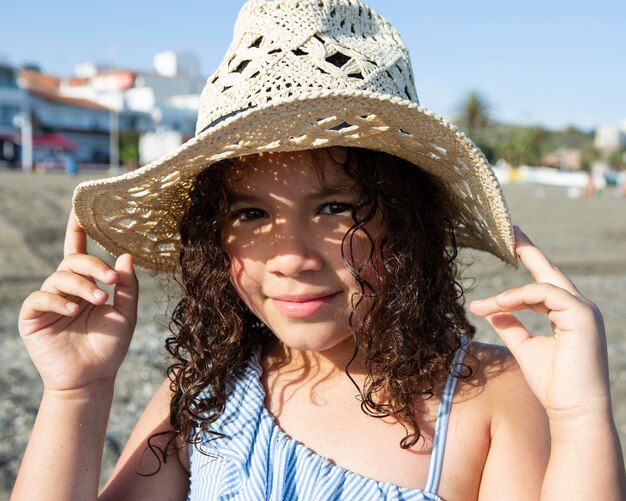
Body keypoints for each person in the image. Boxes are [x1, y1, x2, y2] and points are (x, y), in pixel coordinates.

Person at [12, 1, 624, 500]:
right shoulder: (206, 391)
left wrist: (578, 418)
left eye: (335, 208)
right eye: (251, 213)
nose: (290, 257)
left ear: (407, 220)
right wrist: (77, 393)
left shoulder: (491, 396)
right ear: (211, 235)